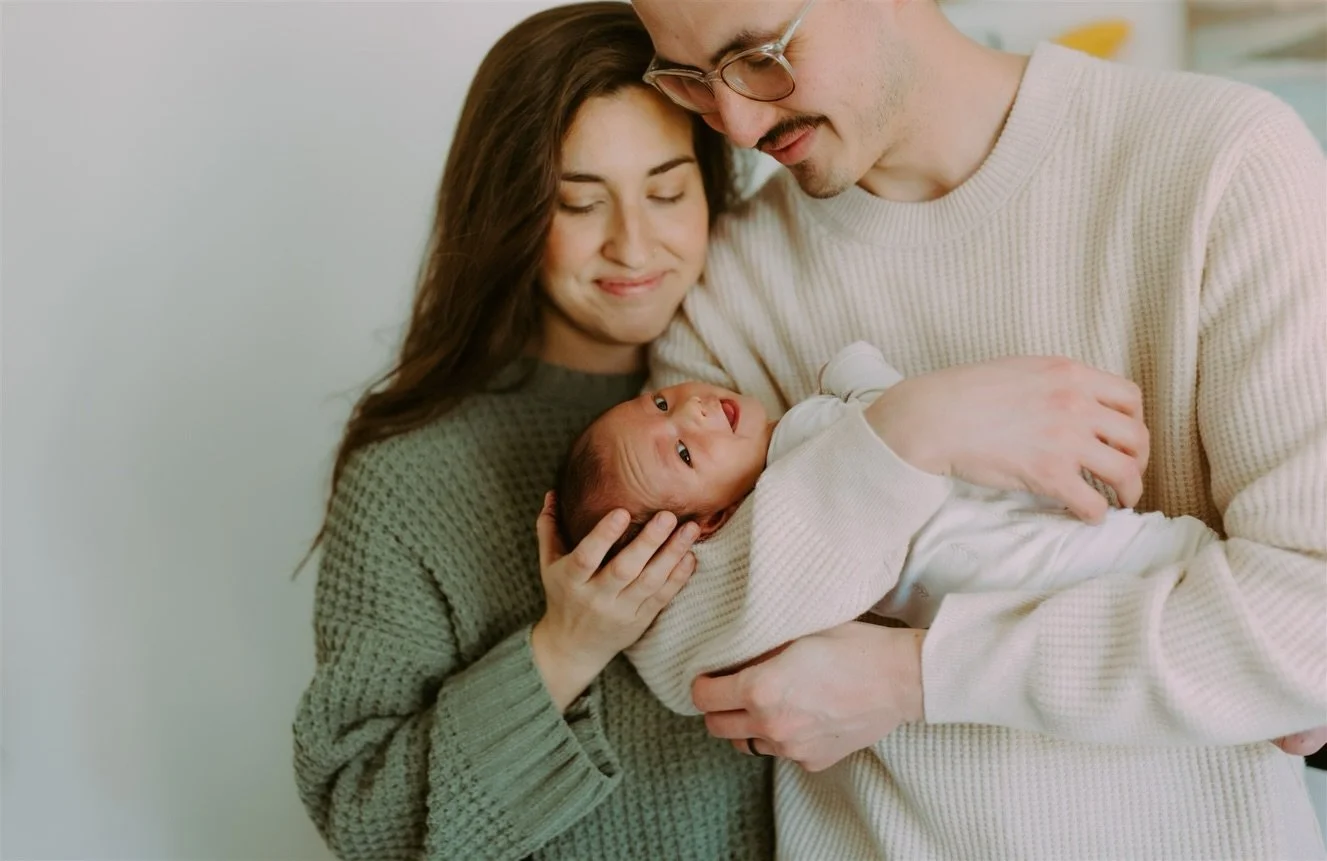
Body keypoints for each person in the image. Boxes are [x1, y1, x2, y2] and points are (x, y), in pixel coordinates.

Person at [621, 0, 1327, 857]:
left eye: (760, 55)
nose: (734, 122)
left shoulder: (1221, 161)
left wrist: (917, 675)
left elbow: (1307, 623)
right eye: (689, 79)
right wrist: (904, 431)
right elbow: (677, 650)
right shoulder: (730, 277)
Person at [291, 5, 774, 859]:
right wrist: (563, 647)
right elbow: (366, 819)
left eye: (666, 191)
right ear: (512, 215)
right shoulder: (412, 473)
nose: (634, 245)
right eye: (579, 203)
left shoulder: (767, 400)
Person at [557, 340, 1217, 629]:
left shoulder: (795, 442)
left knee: (1166, 569)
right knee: (1172, 564)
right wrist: (851, 365)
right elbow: (891, 413)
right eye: (681, 451)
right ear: (708, 522)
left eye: (663, 403)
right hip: (1007, 563)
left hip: (1014, 547)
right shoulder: (789, 497)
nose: (693, 412)